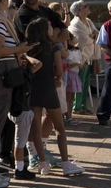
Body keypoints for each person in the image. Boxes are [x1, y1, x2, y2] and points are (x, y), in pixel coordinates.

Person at [23, 17, 84, 174]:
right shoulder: (53, 47)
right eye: (49, 26)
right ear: (44, 30)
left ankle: (42, 162)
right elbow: (59, 69)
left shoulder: (28, 48)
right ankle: (65, 163)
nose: (52, 28)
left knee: (36, 128)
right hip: (49, 89)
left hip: (33, 89)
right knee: (59, 128)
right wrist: (58, 79)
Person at [69, 1, 99, 113]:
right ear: (79, 11)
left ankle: (83, 105)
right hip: (80, 57)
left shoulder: (88, 21)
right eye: (85, 6)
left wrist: (92, 36)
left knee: (86, 83)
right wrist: (91, 37)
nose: (88, 7)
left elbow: (97, 32)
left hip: (89, 56)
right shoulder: (75, 23)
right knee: (79, 82)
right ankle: (76, 107)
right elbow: (82, 40)